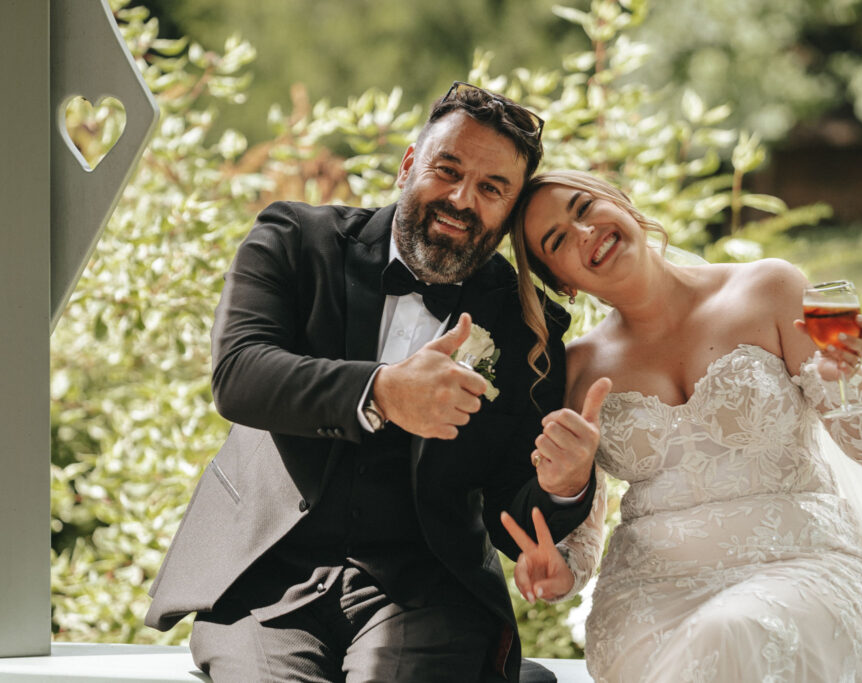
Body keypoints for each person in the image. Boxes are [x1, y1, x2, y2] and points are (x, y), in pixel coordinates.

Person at [144, 85, 601, 683]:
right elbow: (240, 374)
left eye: (492, 189)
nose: (463, 199)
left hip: (427, 592)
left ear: (510, 211)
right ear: (409, 165)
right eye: (448, 169)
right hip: (263, 578)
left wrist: (564, 486)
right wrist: (381, 391)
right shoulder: (292, 239)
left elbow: (513, 512)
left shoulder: (525, 325)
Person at [500, 170, 862, 682]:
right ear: (561, 282)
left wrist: (843, 377)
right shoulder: (577, 368)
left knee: (731, 634)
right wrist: (558, 574)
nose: (584, 233)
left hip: (805, 565)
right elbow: (582, 536)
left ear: (621, 203)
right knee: (709, 642)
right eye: (557, 240)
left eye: (584, 208)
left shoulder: (772, 287)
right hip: (649, 598)